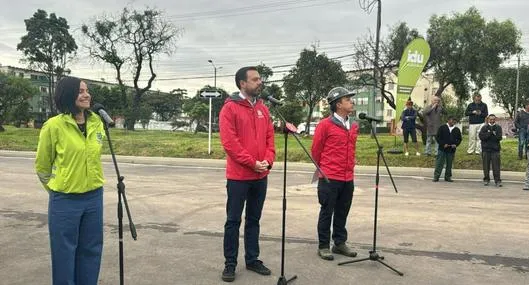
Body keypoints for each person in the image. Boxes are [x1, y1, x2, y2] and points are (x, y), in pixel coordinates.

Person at [35, 76, 106, 285]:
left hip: (94, 197)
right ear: (68, 95)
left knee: (91, 250)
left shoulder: (96, 122)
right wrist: (58, 188)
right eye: (80, 91)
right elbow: (42, 166)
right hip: (65, 200)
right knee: (64, 253)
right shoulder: (54, 126)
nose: (86, 95)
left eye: (87, 90)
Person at [219, 66, 275, 282]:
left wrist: (268, 161)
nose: (259, 82)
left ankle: (252, 259)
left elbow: (270, 138)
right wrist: (252, 163)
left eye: (259, 79)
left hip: (261, 176)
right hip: (239, 177)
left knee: (254, 219)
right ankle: (230, 264)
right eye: (255, 79)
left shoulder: (263, 108)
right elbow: (230, 144)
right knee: (233, 221)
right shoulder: (230, 108)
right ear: (242, 83)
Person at [311, 87, 359, 261]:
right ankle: (323, 245)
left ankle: (339, 243)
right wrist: (323, 170)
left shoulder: (353, 125)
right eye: (348, 100)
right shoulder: (325, 125)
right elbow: (316, 150)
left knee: (342, 211)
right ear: (338, 104)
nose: (351, 102)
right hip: (330, 177)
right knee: (327, 211)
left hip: (348, 177)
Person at [433, 116, 462, 182]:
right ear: (448, 120)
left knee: (449, 164)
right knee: (439, 163)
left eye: (454, 120)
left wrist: (456, 144)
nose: (453, 122)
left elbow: (459, 139)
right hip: (442, 149)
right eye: (452, 120)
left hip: (451, 149)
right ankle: (436, 176)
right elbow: (438, 138)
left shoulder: (456, 129)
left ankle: (448, 177)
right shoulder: (442, 127)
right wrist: (443, 144)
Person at [479, 114, 503, 187]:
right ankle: (486, 179)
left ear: (495, 119)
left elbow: (499, 137)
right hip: (486, 149)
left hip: (495, 150)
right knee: (486, 166)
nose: (492, 120)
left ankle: (497, 180)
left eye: (493, 119)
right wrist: (490, 133)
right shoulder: (484, 127)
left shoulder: (498, 127)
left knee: (496, 167)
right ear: (488, 119)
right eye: (490, 119)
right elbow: (481, 137)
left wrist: (493, 135)